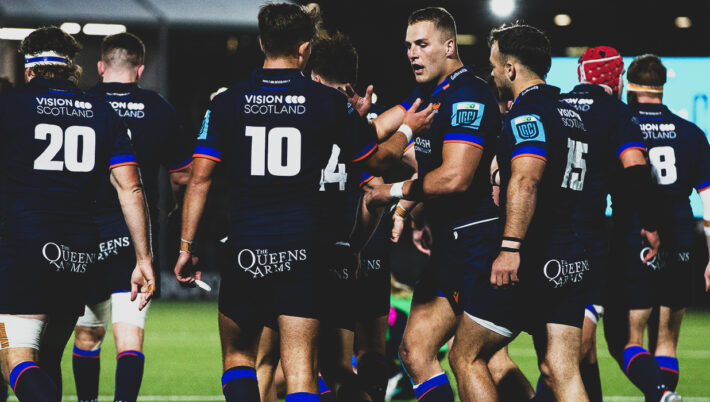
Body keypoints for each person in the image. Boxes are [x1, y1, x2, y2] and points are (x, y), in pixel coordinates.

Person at [172, 4, 432, 401]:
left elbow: (199, 179)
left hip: (246, 248)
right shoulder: (328, 103)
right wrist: (407, 129)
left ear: (262, 42)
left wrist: (186, 247)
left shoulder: (226, 102)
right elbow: (376, 163)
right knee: (301, 372)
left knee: (241, 359)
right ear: (305, 48)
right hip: (304, 252)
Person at [0, 26, 154, 402]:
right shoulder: (101, 111)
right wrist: (144, 258)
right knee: (49, 357)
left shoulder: (10, 104)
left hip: (22, 247)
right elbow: (131, 188)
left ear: (29, 68)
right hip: (79, 253)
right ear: (72, 67)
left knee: (14, 359)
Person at [365, 7, 503, 401]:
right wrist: (350, 116)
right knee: (416, 351)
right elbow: (377, 134)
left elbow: (454, 178)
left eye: (422, 44)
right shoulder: (426, 95)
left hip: (478, 246)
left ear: (449, 46)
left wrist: (393, 194)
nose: (412, 53)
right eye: (408, 45)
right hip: (450, 246)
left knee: (474, 359)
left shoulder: (468, 94)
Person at [71, 32, 193, 402]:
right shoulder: (158, 108)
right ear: (140, 69)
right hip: (134, 232)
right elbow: (182, 175)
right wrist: (175, 209)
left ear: (100, 66)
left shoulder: (82, 104)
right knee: (129, 337)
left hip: (84, 231)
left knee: (87, 335)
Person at [487, 23, 589, 401]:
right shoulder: (570, 114)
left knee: (472, 352)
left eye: (494, 66)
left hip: (537, 255)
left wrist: (510, 246)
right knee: (560, 370)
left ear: (511, 68)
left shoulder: (527, 113)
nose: (492, 74)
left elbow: (527, 180)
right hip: (571, 253)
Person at [607, 54, 704, 402]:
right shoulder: (691, 132)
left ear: (630, 87)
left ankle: (659, 393)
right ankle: (663, 395)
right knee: (666, 340)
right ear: (662, 85)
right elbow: (709, 198)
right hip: (681, 235)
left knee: (629, 339)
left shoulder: (622, 125)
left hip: (637, 236)